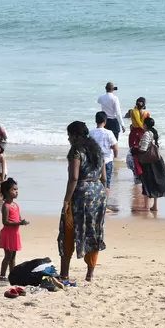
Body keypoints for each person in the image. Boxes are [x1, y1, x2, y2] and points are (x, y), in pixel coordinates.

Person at [59, 121, 108, 284]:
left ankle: (64, 274)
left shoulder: (76, 151)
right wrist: (104, 192)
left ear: (74, 135)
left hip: (82, 194)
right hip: (98, 192)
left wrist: (66, 201)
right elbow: (104, 177)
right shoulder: (97, 150)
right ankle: (89, 275)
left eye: (69, 135)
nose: (68, 139)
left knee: (68, 230)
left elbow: (73, 177)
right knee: (93, 232)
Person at [0, 178, 28, 281]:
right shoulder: (6, 206)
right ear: (6, 192)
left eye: (17, 189)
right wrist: (19, 223)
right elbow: (5, 222)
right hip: (8, 234)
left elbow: (18, 218)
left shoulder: (16, 205)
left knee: (13, 256)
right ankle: (2, 275)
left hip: (15, 234)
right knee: (8, 256)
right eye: (14, 190)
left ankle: (12, 274)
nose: (16, 192)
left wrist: (22, 222)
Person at [136, 117, 165, 211]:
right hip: (157, 160)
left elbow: (143, 148)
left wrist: (136, 150)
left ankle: (146, 206)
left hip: (148, 162)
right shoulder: (154, 132)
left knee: (147, 182)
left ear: (145, 125)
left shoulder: (147, 134)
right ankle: (155, 205)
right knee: (155, 182)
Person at [90, 111, 118, 189]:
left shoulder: (91, 132)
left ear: (96, 121)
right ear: (105, 121)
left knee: (95, 181)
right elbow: (115, 147)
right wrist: (115, 156)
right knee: (107, 182)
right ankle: (105, 198)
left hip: (94, 161)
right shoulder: (109, 133)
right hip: (107, 160)